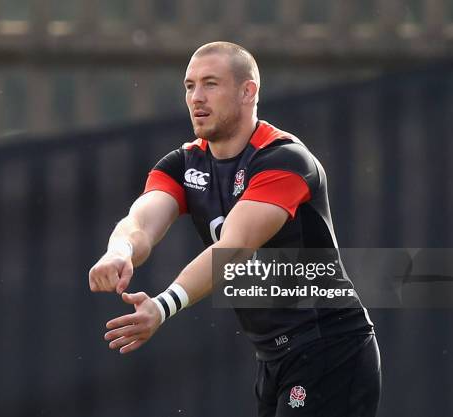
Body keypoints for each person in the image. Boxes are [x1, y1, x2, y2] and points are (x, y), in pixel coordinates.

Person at [88, 41, 381, 417]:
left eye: (211, 84)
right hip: (274, 356)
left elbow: (235, 248)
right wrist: (119, 251)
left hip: (330, 348)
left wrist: (162, 307)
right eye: (189, 86)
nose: (197, 97)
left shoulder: (284, 159)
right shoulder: (184, 163)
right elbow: (141, 222)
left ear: (248, 92)